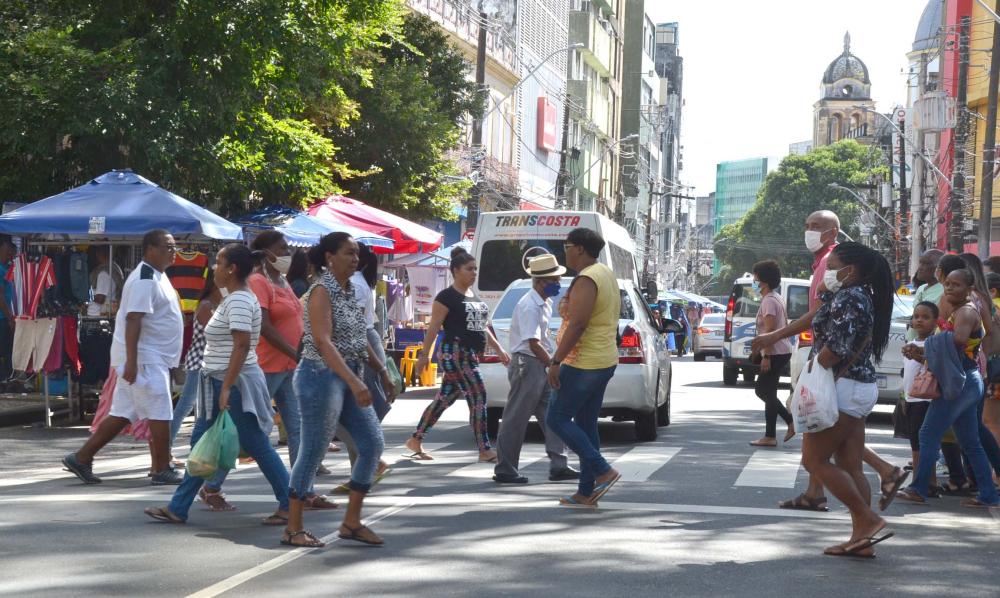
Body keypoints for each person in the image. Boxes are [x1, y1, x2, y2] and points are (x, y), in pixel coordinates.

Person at [144, 243, 291, 527]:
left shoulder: (238, 300)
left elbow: (241, 344)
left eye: (220, 263)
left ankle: (288, 502)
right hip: (217, 381)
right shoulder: (235, 296)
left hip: (230, 383)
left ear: (232, 269)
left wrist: (226, 387)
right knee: (201, 444)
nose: (214, 268)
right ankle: (178, 507)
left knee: (257, 446)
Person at [287, 232, 393, 547]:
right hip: (320, 376)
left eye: (357, 254)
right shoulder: (321, 290)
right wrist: (354, 381)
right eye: (348, 253)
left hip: (350, 374)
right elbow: (322, 341)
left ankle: (352, 522)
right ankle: (293, 528)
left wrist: (381, 371)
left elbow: (360, 336)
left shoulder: (348, 290)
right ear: (329, 257)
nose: (355, 259)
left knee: (372, 444)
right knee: (313, 449)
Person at [63, 230, 184, 485]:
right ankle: (162, 468)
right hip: (144, 357)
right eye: (168, 246)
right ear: (150, 249)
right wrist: (131, 360)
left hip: (149, 357)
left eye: (174, 246)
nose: (173, 251)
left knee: (122, 413)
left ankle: (82, 457)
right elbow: (133, 319)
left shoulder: (157, 275)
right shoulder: (145, 278)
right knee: (160, 412)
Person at [798, 242, 896, 557]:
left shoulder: (851, 297)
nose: (827, 271)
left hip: (842, 387)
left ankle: (867, 521)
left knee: (813, 461)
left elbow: (835, 348)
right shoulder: (856, 296)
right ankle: (862, 540)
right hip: (854, 387)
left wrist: (808, 382)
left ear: (849, 270)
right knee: (850, 465)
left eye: (832, 264)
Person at [897, 269, 1000, 508]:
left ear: (969, 288)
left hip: (959, 382)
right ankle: (988, 494)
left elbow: (958, 340)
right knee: (970, 442)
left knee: (927, 433)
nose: (949, 288)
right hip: (966, 380)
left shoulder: (965, 312)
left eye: (956, 285)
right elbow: (951, 350)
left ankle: (920, 488)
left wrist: (927, 345)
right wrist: (921, 352)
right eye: (948, 284)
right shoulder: (959, 311)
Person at [406, 247, 510, 462]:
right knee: (479, 396)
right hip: (455, 352)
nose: (474, 273)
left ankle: (416, 439)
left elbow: (481, 326)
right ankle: (484, 449)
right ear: (455, 270)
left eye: (475, 269)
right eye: (469, 269)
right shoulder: (447, 297)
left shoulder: (474, 296)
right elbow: (434, 327)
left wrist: (499, 349)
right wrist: (424, 355)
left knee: (444, 399)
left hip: (471, 354)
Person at [546, 228, 622, 507]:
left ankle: (602, 469)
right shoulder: (604, 273)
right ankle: (587, 491)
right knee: (586, 424)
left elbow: (578, 323)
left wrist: (555, 361)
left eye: (566, 246)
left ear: (579, 248)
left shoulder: (589, 277)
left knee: (556, 418)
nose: (564, 251)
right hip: (601, 359)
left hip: (584, 362)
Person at [493, 254, 575, 485]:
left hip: (538, 364)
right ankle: (505, 469)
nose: (558, 284)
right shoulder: (530, 305)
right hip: (528, 365)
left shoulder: (544, 303)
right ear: (541, 282)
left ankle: (559, 465)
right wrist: (552, 364)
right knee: (515, 419)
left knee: (553, 416)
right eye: (555, 280)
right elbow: (533, 342)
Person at [247, 232, 312, 484]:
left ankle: (301, 488)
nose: (287, 253)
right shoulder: (258, 281)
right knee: (253, 428)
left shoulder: (283, 282)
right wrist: (294, 352)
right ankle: (211, 484)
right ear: (266, 253)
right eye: (282, 248)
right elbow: (264, 325)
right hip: (267, 365)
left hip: (290, 366)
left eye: (288, 248)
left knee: (297, 428)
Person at [749, 260, 795, 447]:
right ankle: (772, 433)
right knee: (768, 392)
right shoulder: (775, 297)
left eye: (756, 278)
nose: (754, 281)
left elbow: (768, 332)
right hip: (780, 351)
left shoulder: (769, 301)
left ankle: (788, 424)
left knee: (763, 390)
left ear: (764, 281)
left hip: (775, 352)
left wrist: (766, 356)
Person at [900, 301, 939, 499]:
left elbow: (935, 367)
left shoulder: (934, 344)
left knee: (919, 442)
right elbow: (906, 375)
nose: (919, 320)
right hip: (912, 399)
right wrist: (904, 398)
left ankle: (919, 482)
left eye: (925, 317)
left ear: (935, 321)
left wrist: (918, 356)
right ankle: (929, 482)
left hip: (926, 399)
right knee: (917, 441)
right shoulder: (911, 345)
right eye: (916, 316)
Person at [906, 250, 944, 341]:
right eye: (921, 263)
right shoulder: (921, 288)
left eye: (926, 264)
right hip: (912, 344)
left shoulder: (945, 291)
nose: (920, 267)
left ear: (938, 269)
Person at [87, 246, 124, 318]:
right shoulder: (115, 268)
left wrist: (86, 297)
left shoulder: (103, 273)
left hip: (98, 315)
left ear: (98, 254)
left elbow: (100, 298)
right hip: (105, 314)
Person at [0, 236, 16, 385]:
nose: (10, 254)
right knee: (4, 350)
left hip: (5, 317)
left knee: (7, 350)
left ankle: (6, 379)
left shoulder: (7, 268)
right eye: (7, 251)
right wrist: (9, 317)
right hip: (2, 317)